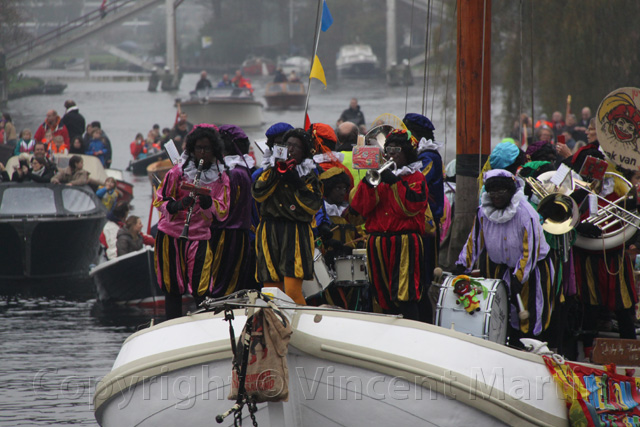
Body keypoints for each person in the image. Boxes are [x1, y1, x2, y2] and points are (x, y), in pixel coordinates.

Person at [456, 169, 554, 340]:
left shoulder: (525, 213)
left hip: (530, 270)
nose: (496, 196)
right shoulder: (483, 212)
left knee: (529, 319)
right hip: (500, 269)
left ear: (510, 191)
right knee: (501, 315)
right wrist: (463, 264)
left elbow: (531, 250)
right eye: (492, 191)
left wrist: (519, 277)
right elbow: (475, 240)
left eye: (501, 191)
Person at [350, 129, 430, 321]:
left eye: (397, 151)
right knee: (383, 296)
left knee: (405, 295)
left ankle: (412, 335)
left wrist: (395, 184)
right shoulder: (379, 175)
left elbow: (411, 207)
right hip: (377, 243)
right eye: (389, 150)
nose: (391, 155)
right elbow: (359, 211)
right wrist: (368, 185)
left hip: (404, 244)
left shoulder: (415, 177)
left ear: (406, 153)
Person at [154, 124, 230, 320]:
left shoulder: (221, 177)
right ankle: (171, 327)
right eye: (198, 148)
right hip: (171, 235)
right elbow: (159, 199)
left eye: (206, 149)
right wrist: (176, 205)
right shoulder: (177, 173)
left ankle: (207, 329)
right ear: (191, 150)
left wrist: (208, 203)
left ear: (214, 150)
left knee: (202, 288)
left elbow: (223, 211)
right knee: (172, 288)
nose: (202, 153)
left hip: (200, 237)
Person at [252, 128, 323, 305]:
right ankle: (273, 327)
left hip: (296, 233)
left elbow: (313, 205)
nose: (290, 149)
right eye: (288, 145)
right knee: (270, 291)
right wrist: (277, 173)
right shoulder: (269, 171)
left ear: (304, 152)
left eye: (296, 147)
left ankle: (299, 327)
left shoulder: (308, 176)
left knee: (292, 291)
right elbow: (258, 194)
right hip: (270, 231)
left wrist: (296, 182)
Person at [209, 124, 255, 297]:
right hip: (238, 234)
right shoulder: (243, 169)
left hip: (226, 236)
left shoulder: (233, 173)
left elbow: (224, 209)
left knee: (222, 285)